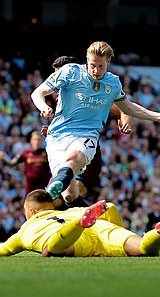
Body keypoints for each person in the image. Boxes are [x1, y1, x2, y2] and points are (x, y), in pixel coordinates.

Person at [30, 42, 160, 209]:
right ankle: (95, 221)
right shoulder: (71, 72)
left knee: (72, 161)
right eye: (93, 65)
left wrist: (159, 116)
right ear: (86, 60)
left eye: (101, 66)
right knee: (69, 195)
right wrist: (44, 107)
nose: (96, 71)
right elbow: (38, 93)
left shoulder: (112, 83)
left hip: (87, 135)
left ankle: (51, 191)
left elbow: (127, 107)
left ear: (108, 63)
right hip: (57, 136)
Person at [0, 189, 160, 258]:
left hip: (71, 235)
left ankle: (79, 227)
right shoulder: (73, 208)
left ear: (31, 210)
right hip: (102, 227)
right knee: (144, 249)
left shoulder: (25, 230)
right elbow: (110, 212)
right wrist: (117, 228)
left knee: (52, 250)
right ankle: (159, 231)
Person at [44, 55, 133, 207]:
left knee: (69, 190)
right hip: (66, 145)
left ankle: (94, 220)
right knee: (66, 196)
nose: (56, 78)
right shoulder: (61, 93)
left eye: (58, 74)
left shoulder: (87, 90)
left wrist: (124, 121)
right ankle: (92, 218)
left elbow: (124, 109)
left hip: (85, 149)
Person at [0, 130, 52, 198]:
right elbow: (11, 163)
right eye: (35, 139)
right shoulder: (25, 153)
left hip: (44, 185)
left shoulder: (47, 152)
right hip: (30, 186)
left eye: (39, 139)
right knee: (27, 205)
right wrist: (3, 158)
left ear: (42, 141)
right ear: (31, 141)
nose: (37, 142)